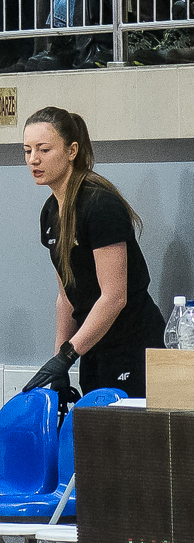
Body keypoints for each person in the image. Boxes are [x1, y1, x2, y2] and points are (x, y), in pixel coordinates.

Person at [21, 107, 165, 398]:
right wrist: (60, 364)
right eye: (27, 150)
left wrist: (68, 355)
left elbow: (114, 297)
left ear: (72, 151)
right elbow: (66, 297)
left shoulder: (100, 204)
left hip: (132, 345)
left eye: (44, 149)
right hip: (92, 347)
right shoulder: (50, 211)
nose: (33, 159)